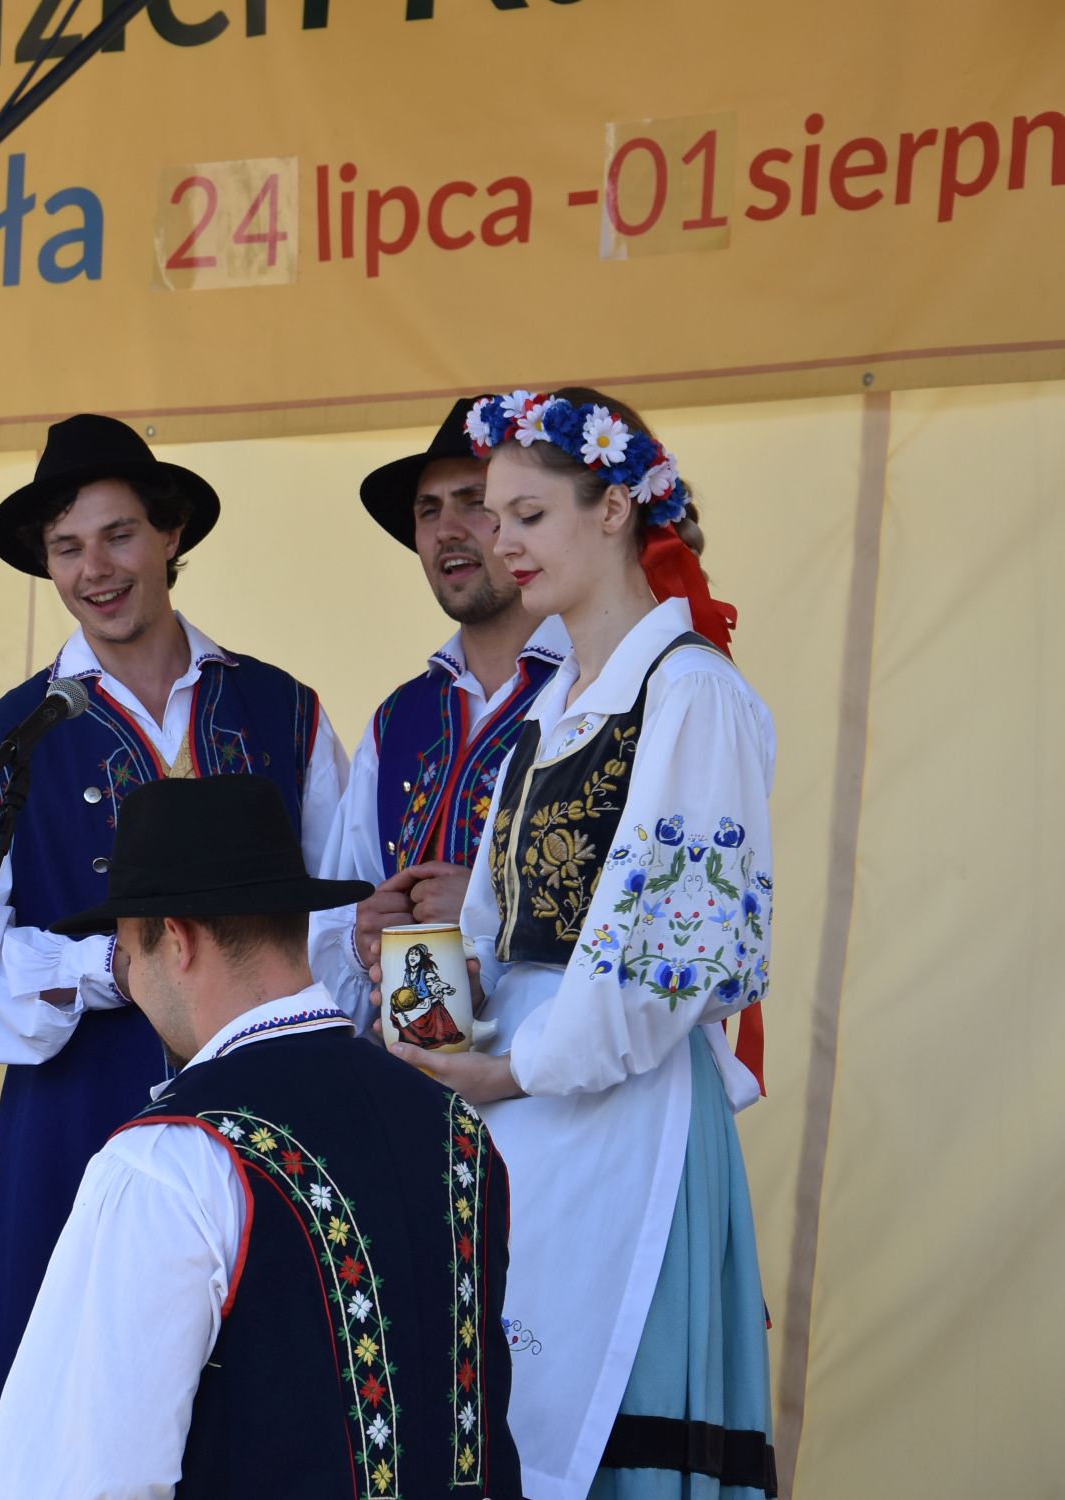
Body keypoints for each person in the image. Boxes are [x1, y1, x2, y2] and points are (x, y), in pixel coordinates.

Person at [0, 414, 350, 1451]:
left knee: (267, 1407)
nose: (94, 570)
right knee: (93, 1417)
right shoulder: (5, 742)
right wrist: (104, 967)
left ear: (170, 534)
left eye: (117, 536)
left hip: (271, 1106)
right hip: (80, 1112)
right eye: (67, 548)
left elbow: (338, 920)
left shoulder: (281, 711)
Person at [405, 389, 775, 1499]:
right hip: (523, 1106)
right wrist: (435, 995)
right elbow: (495, 922)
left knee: (604, 1411)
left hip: (621, 1103)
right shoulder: (554, 705)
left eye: (526, 516)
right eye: (492, 518)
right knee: (518, 1413)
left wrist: (514, 1068)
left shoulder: (689, 692)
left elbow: (661, 955)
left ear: (614, 508)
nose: (498, 542)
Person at [0, 775, 519, 1499]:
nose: (132, 984)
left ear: (176, 939)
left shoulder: (171, 1158)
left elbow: (73, 1480)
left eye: (128, 956)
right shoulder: (454, 1125)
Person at [312, 401, 570, 1031]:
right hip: (422, 1079)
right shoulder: (399, 719)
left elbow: (651, 915)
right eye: (428, 510)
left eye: (473, 502)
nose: (446, 530)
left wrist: (486, 908)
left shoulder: (602, 688)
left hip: (575, 1084)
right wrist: (361, 939)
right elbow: (337, 914)